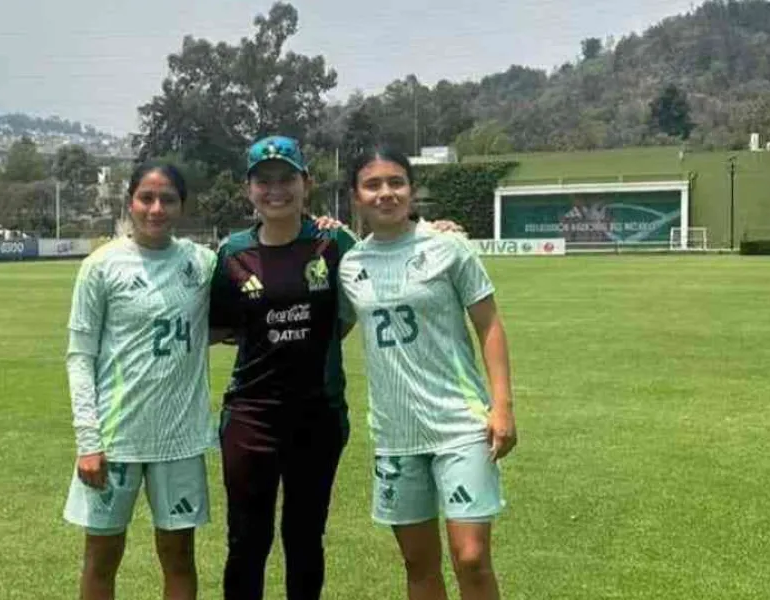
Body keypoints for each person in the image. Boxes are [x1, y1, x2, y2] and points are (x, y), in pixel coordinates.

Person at [337, 147, 518, 600]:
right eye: (373, 185)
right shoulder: (350, 265)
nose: (386, 193)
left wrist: (503, 407)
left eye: (396, 182)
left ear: (412, 190)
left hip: (460, 424)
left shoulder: (447, 247)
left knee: (472, 559)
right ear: (356, 197)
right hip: (396, 434)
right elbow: (329, 327)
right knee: (419, 566)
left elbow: (489, 324)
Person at [209, 135, 357, 600]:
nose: (276, 190)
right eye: (264, 181)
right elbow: (219, 327)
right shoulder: (232, 253)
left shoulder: (335, 242)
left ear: (306, 183)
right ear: (247, 189)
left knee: (304, 538)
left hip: (318, 415)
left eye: (286, 178)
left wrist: (436, 228)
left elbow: (384, 269)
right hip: (251, 418)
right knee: (247, 540)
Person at [63, 162, 217, 600]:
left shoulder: (201, 263)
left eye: (167, 199)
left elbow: (256, 272)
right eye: (146, 198)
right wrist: (88, 440)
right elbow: (80, 357)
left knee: (179, 556)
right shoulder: (100, 266)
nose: (156, 208)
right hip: (115, 440)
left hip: (180, 442)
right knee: (102, 557)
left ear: (182, 206)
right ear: (129, 202)